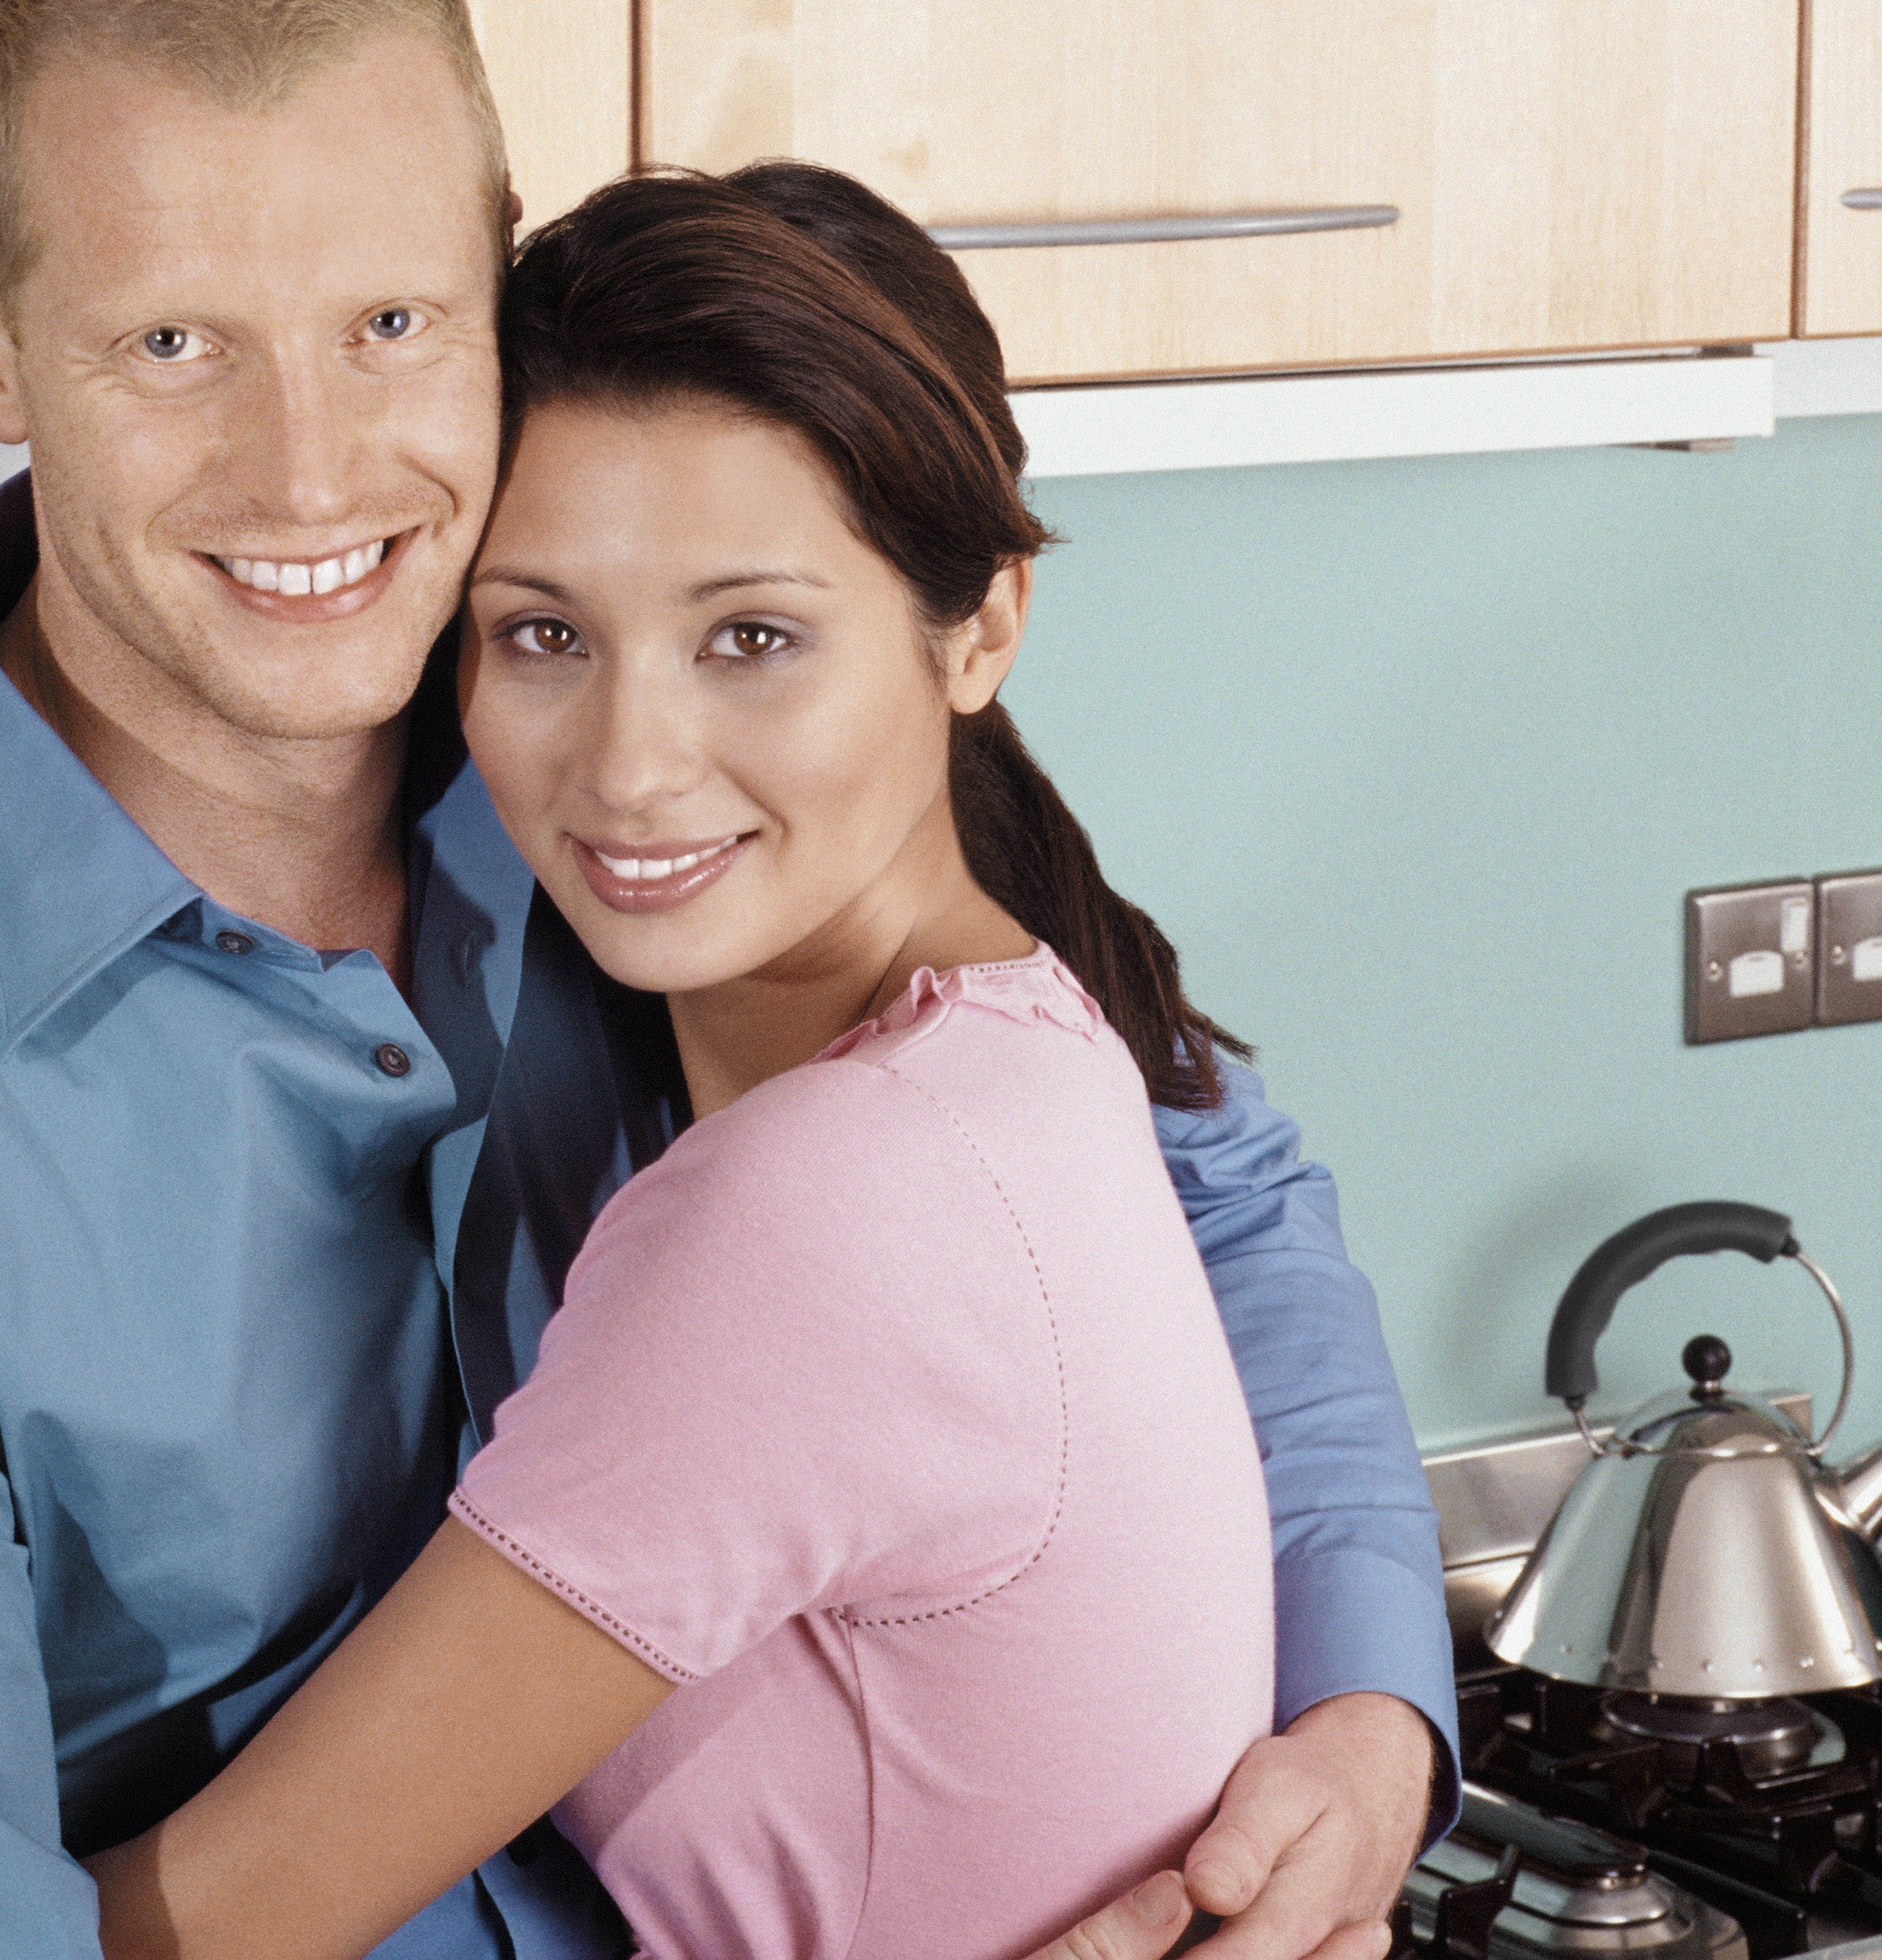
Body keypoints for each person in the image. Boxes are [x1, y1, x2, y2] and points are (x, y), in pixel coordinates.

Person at [0, 0, 1450, 1960]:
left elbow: (1202, 1184)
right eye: (175, 339)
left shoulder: (630, 773)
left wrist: (1365, 1724)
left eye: (389, 325)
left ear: (496, 291)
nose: (311, 469)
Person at [90, 164, 1282, 1957]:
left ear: (979, 629)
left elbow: (212, 1932)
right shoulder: (1027, 1053)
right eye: (544, 635)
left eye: (752, 638)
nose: (632, 767)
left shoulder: (826, 1204)